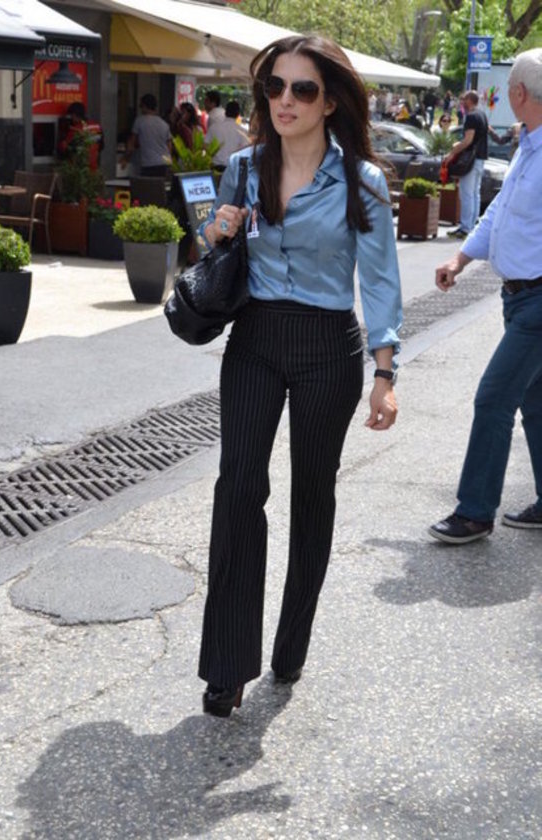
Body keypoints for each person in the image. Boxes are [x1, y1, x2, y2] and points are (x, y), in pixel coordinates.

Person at [197, 34, 402, 716]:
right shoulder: (244, 167)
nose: (285, 100)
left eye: (303, 89)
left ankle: (291, 645)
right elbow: (214, 247)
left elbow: (379, 280)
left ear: (330, 100)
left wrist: (385, 372)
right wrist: (217, 232)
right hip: (255, 338)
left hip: (327, 348)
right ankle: (228, 663)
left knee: (312, 495)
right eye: (275, 87)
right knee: (238, 488)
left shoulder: (361, 181)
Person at [429, 48, 542, 545]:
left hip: (537, 304)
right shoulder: (529, 144)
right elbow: (499, 214)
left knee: (494, 398)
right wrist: (460, 259)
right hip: (520, 299)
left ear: (517, 93)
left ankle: (475, 512)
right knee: (535, 401)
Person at [443, 90, 488, 239]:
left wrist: (452, 153)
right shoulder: (482, 114)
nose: (462, 102)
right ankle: (473, 225)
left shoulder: (471, 116)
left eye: (464, 99)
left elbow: (468, 140)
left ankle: (465, 228)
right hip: (480, 158)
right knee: (475, 193)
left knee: (467, 194)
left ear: (470, 100)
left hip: (470, 160)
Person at [121, 94, 171, 176]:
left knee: (147, 184)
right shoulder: (164, 124)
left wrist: (125, 159)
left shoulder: (140, 121)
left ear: (144, 106)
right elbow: (169, 147)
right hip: (165, 163)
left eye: (141, 106)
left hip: (149, 163)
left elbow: (131, 145)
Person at [56, 101, 104, 170]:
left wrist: (62, 137)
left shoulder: (75, 130)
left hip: (78, 170)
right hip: (93, 168)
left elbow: (64, 149)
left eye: (71, 116)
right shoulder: (96, 126)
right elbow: (101, 146)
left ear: (74, 115)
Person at [205, 100, 250, 170]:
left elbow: (205, 146)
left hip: (214, 168)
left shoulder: (214, 127)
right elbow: (245, 150)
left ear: (225, 112)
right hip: (232, 168)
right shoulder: (243, 131)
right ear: (238, 114)